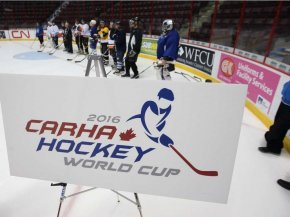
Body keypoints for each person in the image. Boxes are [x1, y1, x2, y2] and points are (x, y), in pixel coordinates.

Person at [259, 80, 290, 155]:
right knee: (279, 124)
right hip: (284, 102)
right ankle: (277, 143)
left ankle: (273, 148)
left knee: (280, 126)